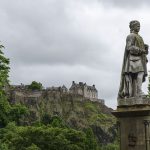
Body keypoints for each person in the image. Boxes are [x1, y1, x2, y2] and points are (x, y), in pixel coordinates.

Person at [118, 20, 148, 98]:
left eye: (139, 25)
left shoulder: (139, 37)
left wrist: (145, 50)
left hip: (138, 58)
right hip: (133, 59)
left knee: (138, 75)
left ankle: (136, 92)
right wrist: (140, 50)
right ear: (133, 26)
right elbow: (129, 47)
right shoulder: (130, 36)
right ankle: (138, 92)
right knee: (139, 73)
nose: (139, 26)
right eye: (137, 25)